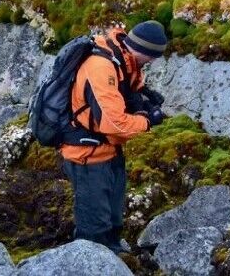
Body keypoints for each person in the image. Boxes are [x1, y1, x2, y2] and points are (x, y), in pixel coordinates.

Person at [60, 20, 169, 254]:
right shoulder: (102, 66)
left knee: (113, 221)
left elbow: (130, 88)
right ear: (145, 51)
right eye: (152, 57)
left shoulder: (123, 59)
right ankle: (86, 263)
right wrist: (148, 121)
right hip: (87, 156)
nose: (152, 62)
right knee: (94, 228)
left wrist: (143, 99)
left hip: (109, 151)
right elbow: (113, 123)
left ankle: (113, 256)